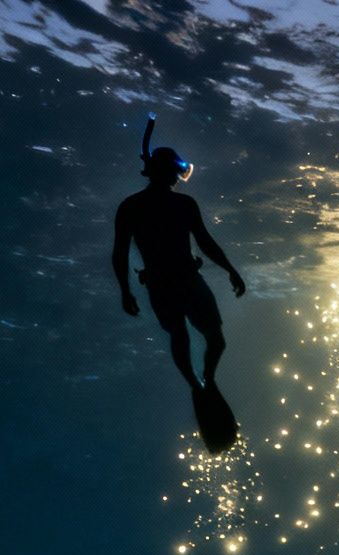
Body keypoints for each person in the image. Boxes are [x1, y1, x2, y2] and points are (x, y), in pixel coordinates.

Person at [112, 116, 247, 452]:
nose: (178, 177)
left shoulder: (151, 205)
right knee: (199, 336)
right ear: (168, 170)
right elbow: (120, 252)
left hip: (176, 281)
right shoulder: (139, 207)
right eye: (177, 170)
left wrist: (230, 268)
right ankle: (201, 382)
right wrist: (125, 290)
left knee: (203, 336)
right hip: (174, 282)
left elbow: (203, 241)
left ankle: (202, 382)